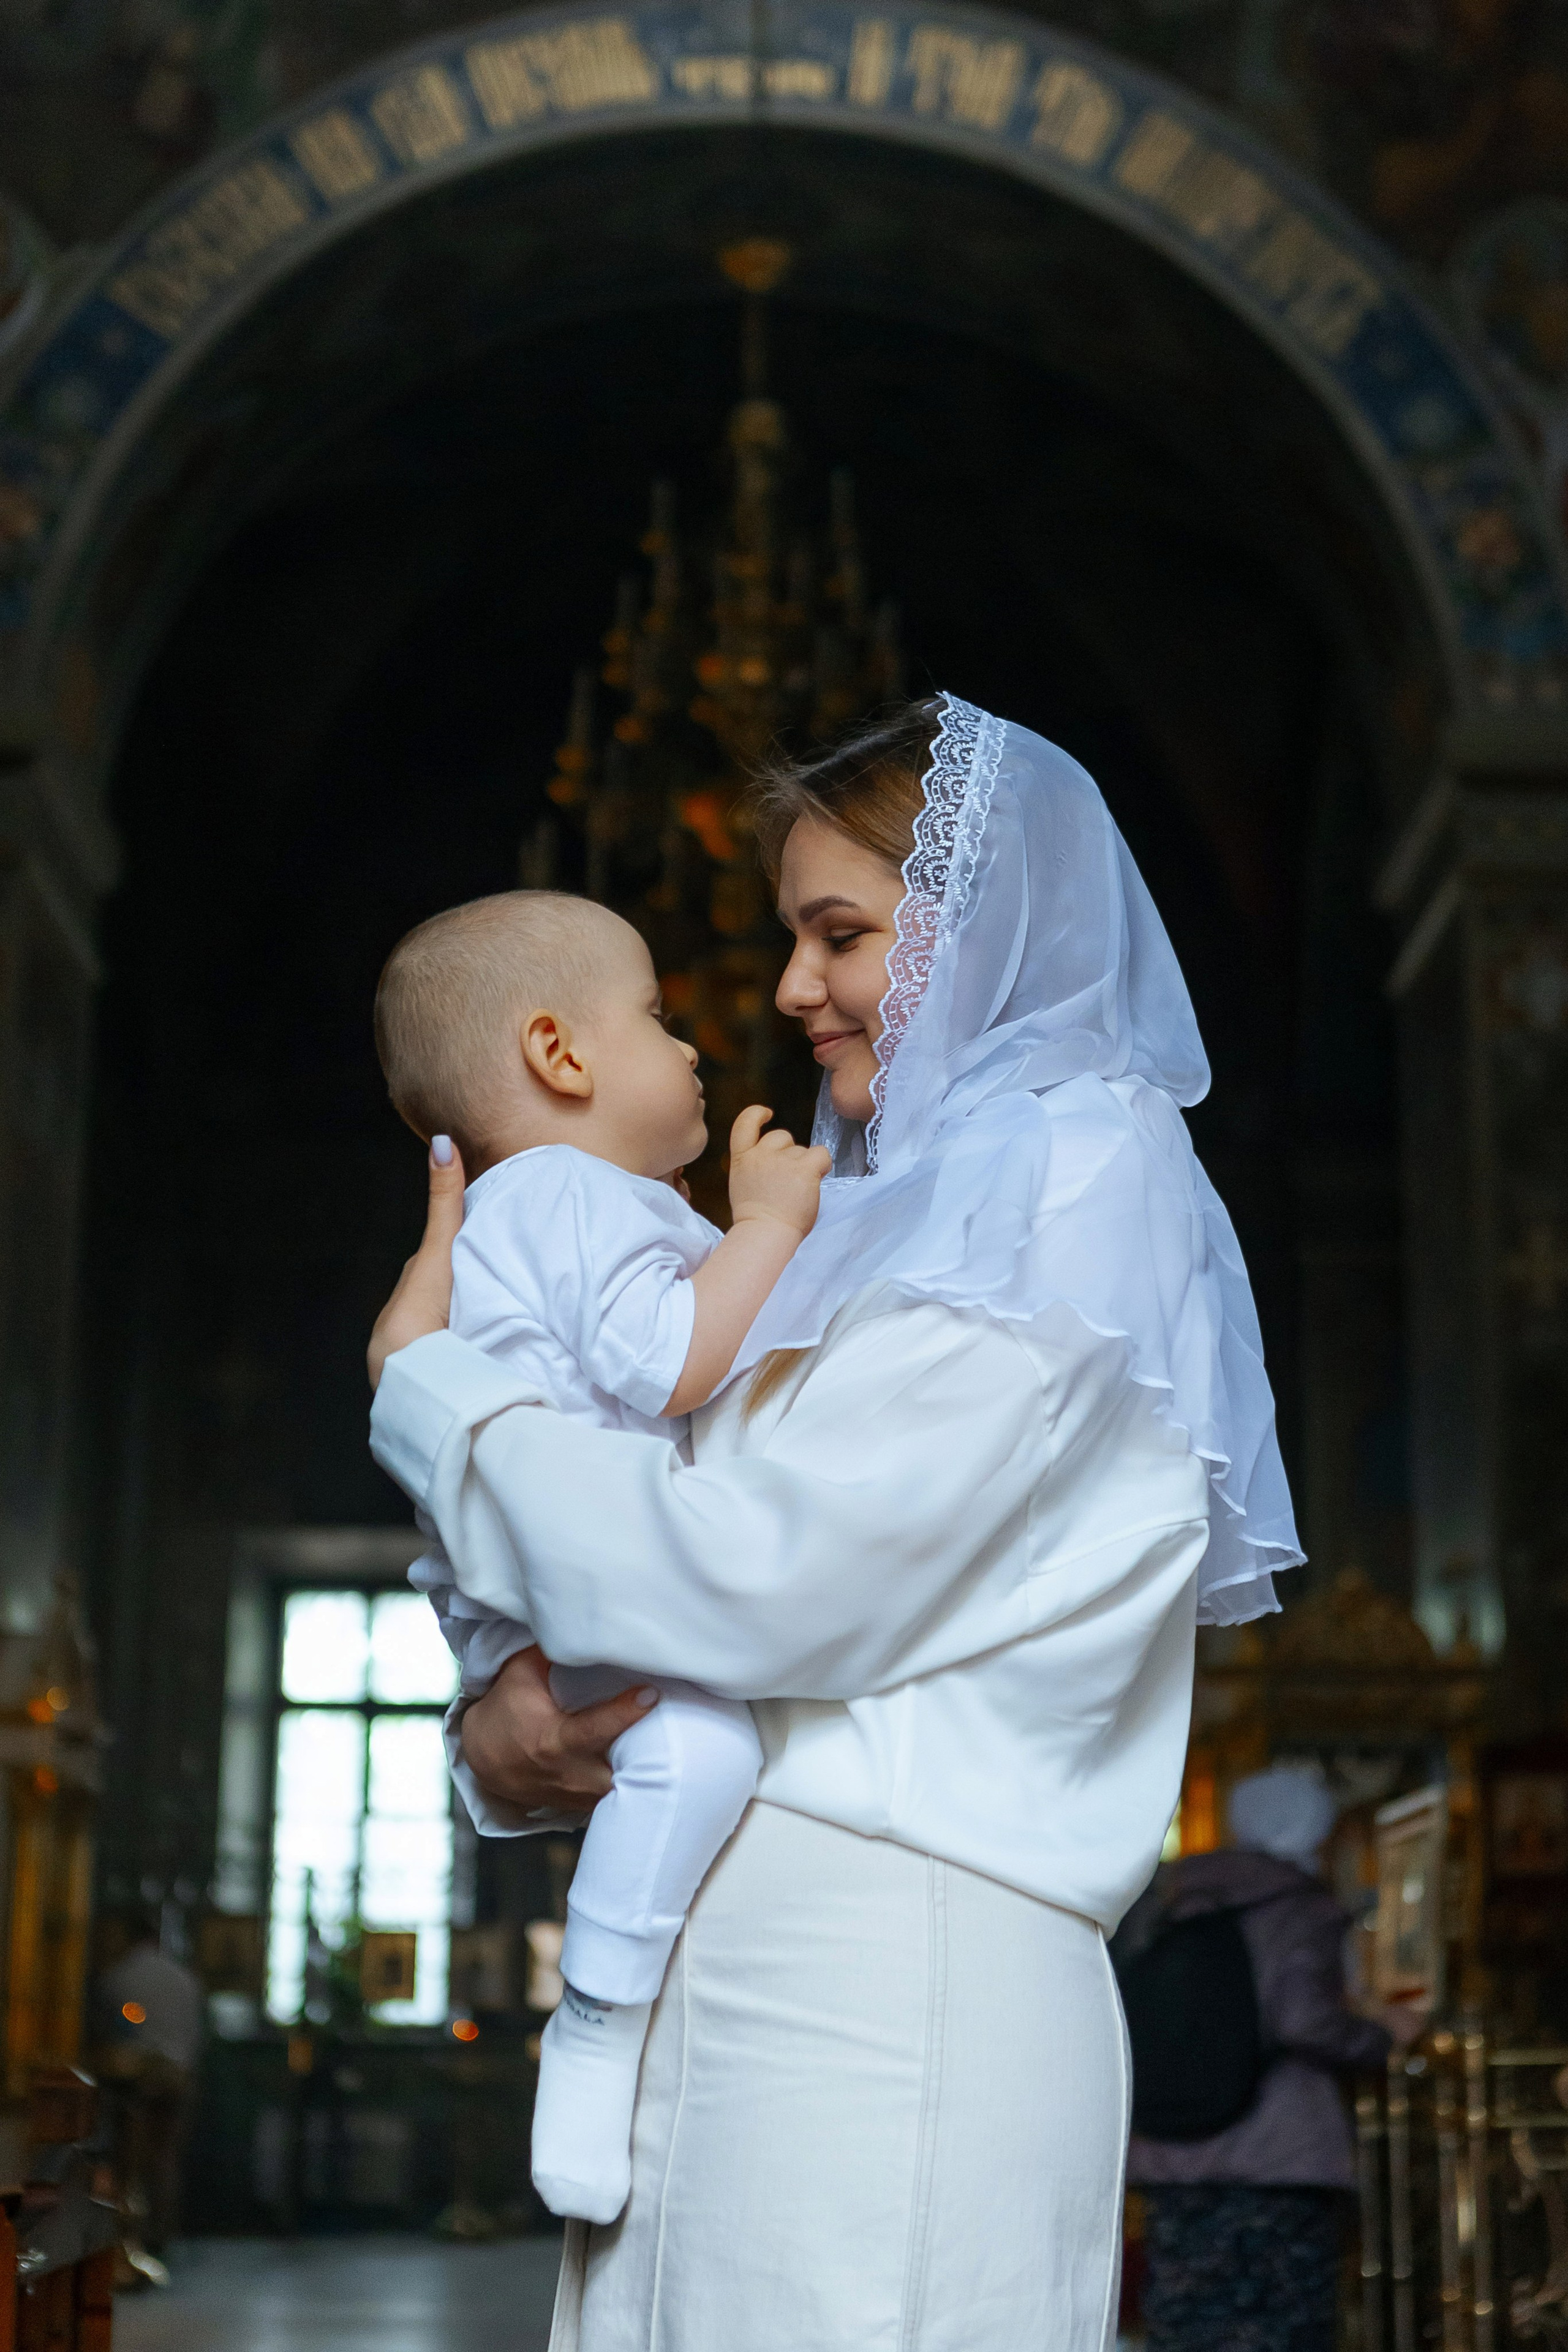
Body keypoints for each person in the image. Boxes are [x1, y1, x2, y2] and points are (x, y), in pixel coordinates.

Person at [368, 693, 1305, 2352]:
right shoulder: (894, 1208)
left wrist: (432, 1396)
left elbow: (750, 1571)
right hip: (763, 1996)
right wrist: (500, 1733)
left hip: (894, 1994)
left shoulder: (1072, 1170)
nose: (791, 990)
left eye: (841, 933)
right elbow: (681, 1550)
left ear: (988, 918)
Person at [372, 890, 829, 2222]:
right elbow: (665, 1362)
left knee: (696, 1751)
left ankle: (595, 2030)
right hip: (573, 1578)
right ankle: (592, 2026)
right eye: (658, 1017)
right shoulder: (569, 1195)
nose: (694, 1048)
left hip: (553, 1582)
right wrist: (767, 1229)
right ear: (559, 1056)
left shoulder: (564, 1202)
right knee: (703, 1749)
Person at [1125, 1764, 1411, 2352]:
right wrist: (1381, 2037)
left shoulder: (1169, 1900)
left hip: (1171, 2153)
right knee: (1278, 2321)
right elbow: (1305, 2020)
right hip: (1275, 2153)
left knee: (1187, 2318)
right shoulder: (1296, 1905)